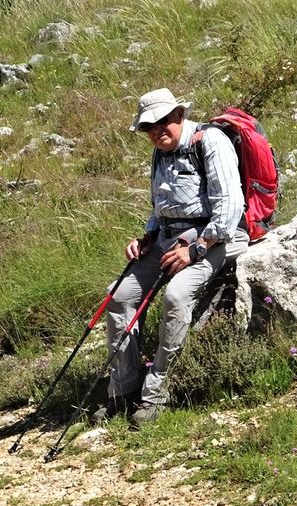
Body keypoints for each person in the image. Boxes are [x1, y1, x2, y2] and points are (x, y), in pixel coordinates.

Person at [93, 87, 249, 427]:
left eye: (164, 121)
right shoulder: (160, 153)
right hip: (169, 238)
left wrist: (195, 250)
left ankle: (155, 394)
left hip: (219, 237)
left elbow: (229, 208)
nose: (158, 130)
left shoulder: (209, 141)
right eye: (149, 127)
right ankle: (122, 390)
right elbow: (160, 207)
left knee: (176, 296)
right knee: (118, 297)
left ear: (179, 115)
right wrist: (147, 237)